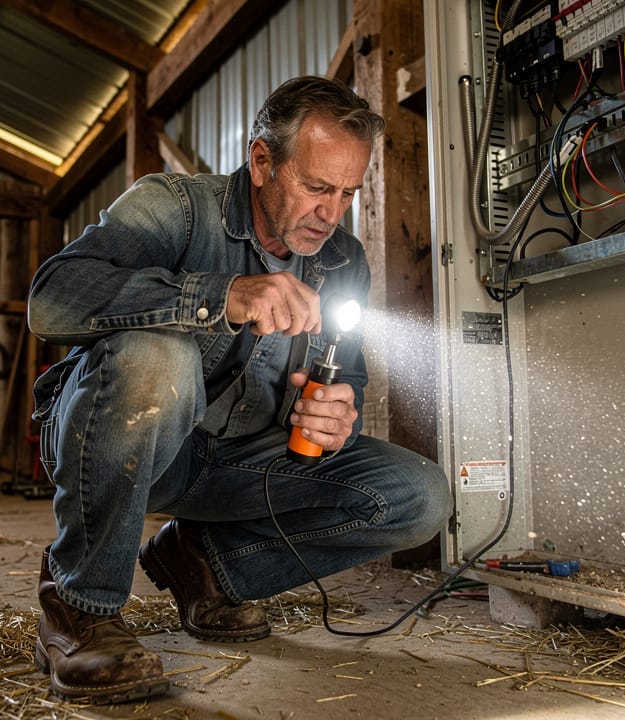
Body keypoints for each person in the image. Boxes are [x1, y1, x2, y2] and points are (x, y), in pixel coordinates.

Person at [26, 75, 452, 704]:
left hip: (238, 464)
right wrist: (217, 297)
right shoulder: (172, 207)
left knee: (421, 499)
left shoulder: (343, 262)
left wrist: (339, 418)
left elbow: (348, 379)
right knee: (157, 357)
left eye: (347, 193)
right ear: (261, 161)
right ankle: (77, 605)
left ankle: (202, 561)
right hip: (121, 442)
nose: (331, 213)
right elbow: (52, 298)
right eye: (314, 187)